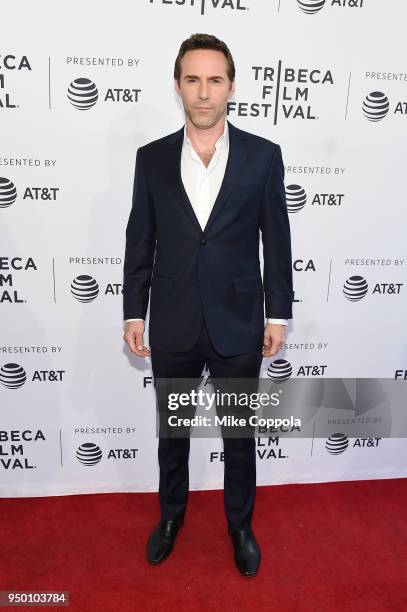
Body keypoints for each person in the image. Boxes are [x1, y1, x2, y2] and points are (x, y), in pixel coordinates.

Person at [122, 33, 293, 577]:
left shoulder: (263, 156)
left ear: (231, 87)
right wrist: (133, 312)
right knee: (173, 435)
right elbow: (139, 241)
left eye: (214, 80)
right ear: (178, 87)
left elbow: (278, 240)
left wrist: (277, 313)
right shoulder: (150, 160)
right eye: (192, 80)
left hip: (238, 324)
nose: (203, 92)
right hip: (172, 322)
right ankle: (171, 517)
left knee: (239, 438)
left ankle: (239, 526)